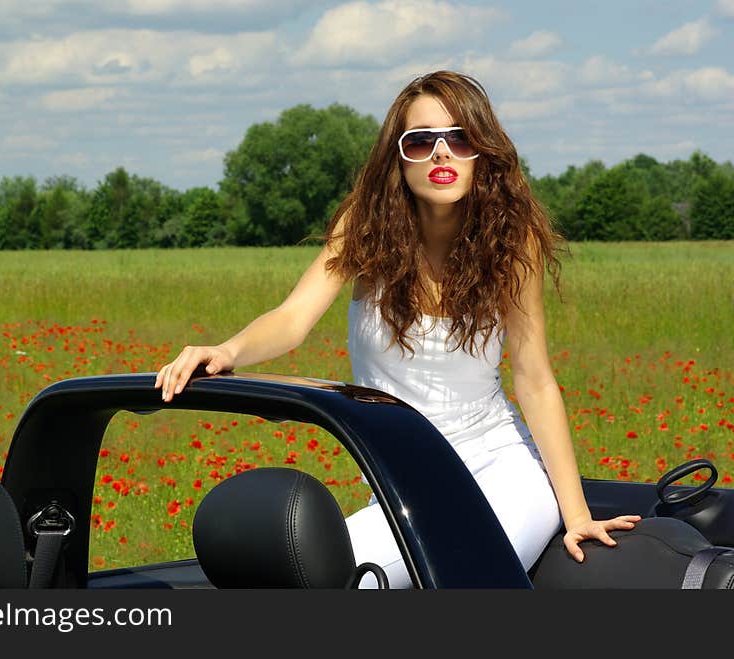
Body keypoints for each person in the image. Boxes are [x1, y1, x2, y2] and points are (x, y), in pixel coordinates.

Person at [154, 70, 641, 587]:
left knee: (467, 574)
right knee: (326, 581)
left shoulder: (510, 241)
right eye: (421, 140)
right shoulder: (364, 229)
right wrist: (226, 351)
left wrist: (577, 513)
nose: (441, 153)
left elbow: (535, 378)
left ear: (483, 151)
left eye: (460, 138)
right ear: (398, 156)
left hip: (503, 470)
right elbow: (292, 320)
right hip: (398, 480)